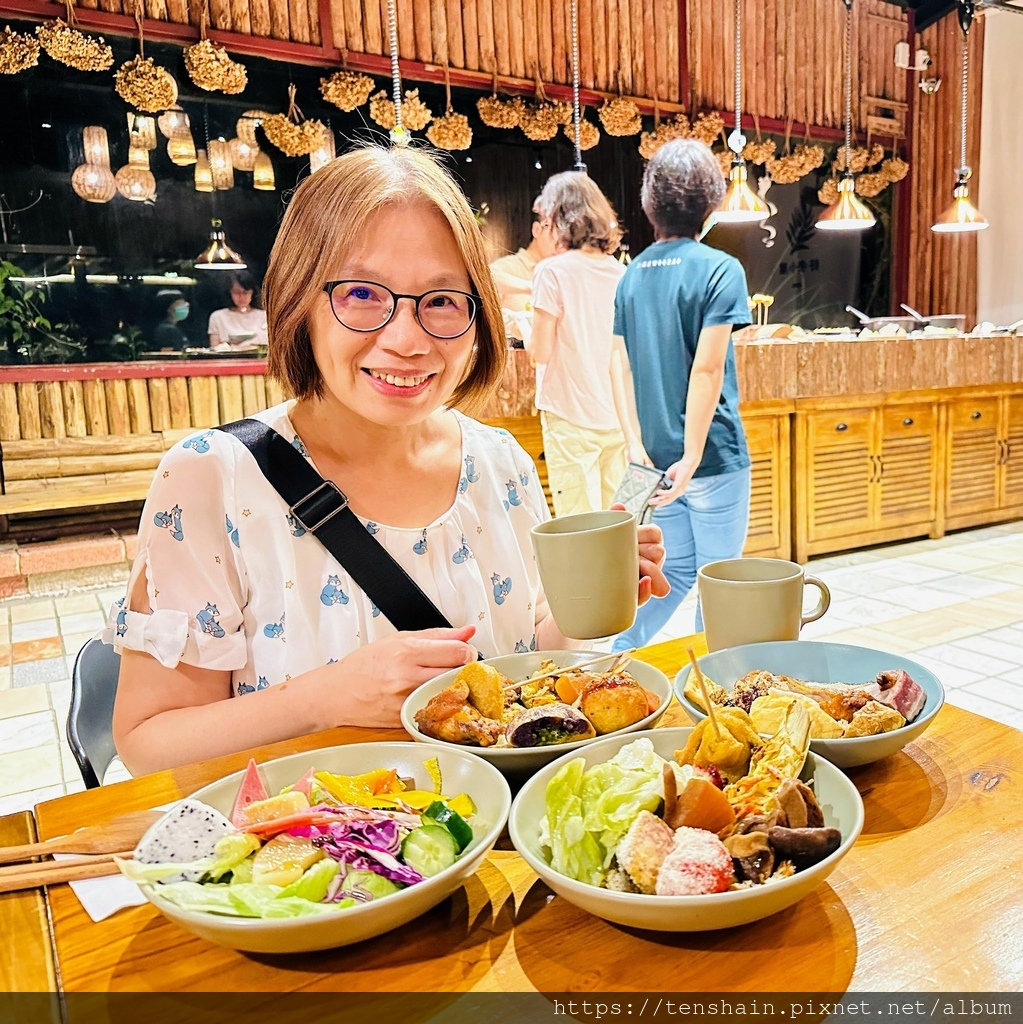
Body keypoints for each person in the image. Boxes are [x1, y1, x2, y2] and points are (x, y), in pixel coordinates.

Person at [104, 146, 668, 775]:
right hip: (327, 857)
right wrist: (323, 699)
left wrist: (592, 601)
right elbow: (148, 742)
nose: (406, 339)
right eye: (363, 294)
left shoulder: (498, 462)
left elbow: (525, 654)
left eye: (443, 300)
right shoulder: (213, 479)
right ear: (299, 301)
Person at [610, 139, 753, 653]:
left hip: (651, 463)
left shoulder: (632, 274)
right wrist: (693, 455)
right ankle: (711, 693)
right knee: (718, 582)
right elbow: (707, 367)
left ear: (651, 204)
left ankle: (615, 660)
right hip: (710, 457)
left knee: (674, 571)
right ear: (710, 202)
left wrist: (633, 444)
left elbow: (619, 364)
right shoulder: (720, 269)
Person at [527, 172, 642, 517]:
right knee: (618, 524)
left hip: (570, 417)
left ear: (558, 217)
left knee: (579, 526)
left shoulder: (552, 272)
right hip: (615, 419)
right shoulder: (621, 273)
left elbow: (541, 351)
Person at [488, 200, 556, 347]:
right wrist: (531, 287)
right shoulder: (512, 266)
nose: (559, 242)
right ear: (537, 230)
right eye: (554, 232)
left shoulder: (557, 274)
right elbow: (485, 280)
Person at [207, 271, 268, 350]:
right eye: (236, 292)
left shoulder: (264, 316)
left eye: (245, 292)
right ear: (229, 293)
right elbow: (214, 349)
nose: (241, 296)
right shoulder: (217, 317)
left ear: (252, 292)